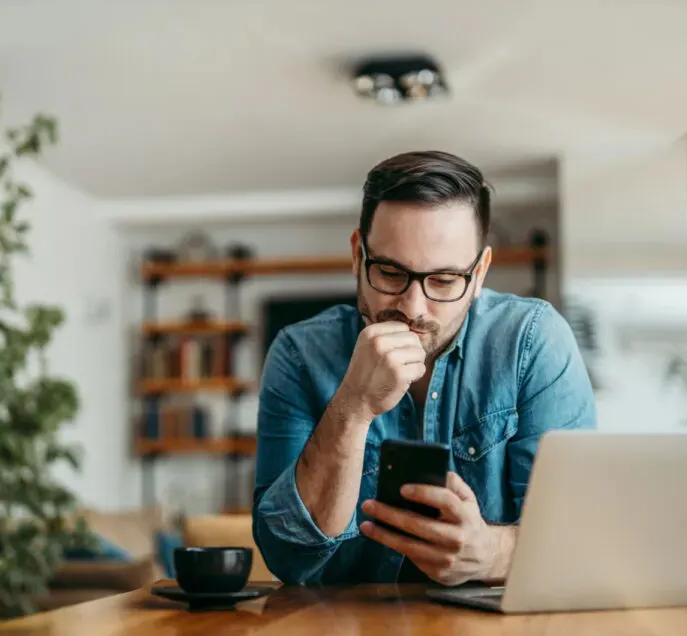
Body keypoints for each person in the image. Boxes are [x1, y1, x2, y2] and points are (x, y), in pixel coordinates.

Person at [252, 150, 596, 586]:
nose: (413, 308)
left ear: (481, 272)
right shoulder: (298, 353)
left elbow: (579, 542)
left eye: (444, 280)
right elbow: (287, 557)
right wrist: (352, 408)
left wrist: (491, 554)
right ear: (358, 256)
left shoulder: (532, 341)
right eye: (391, 273)